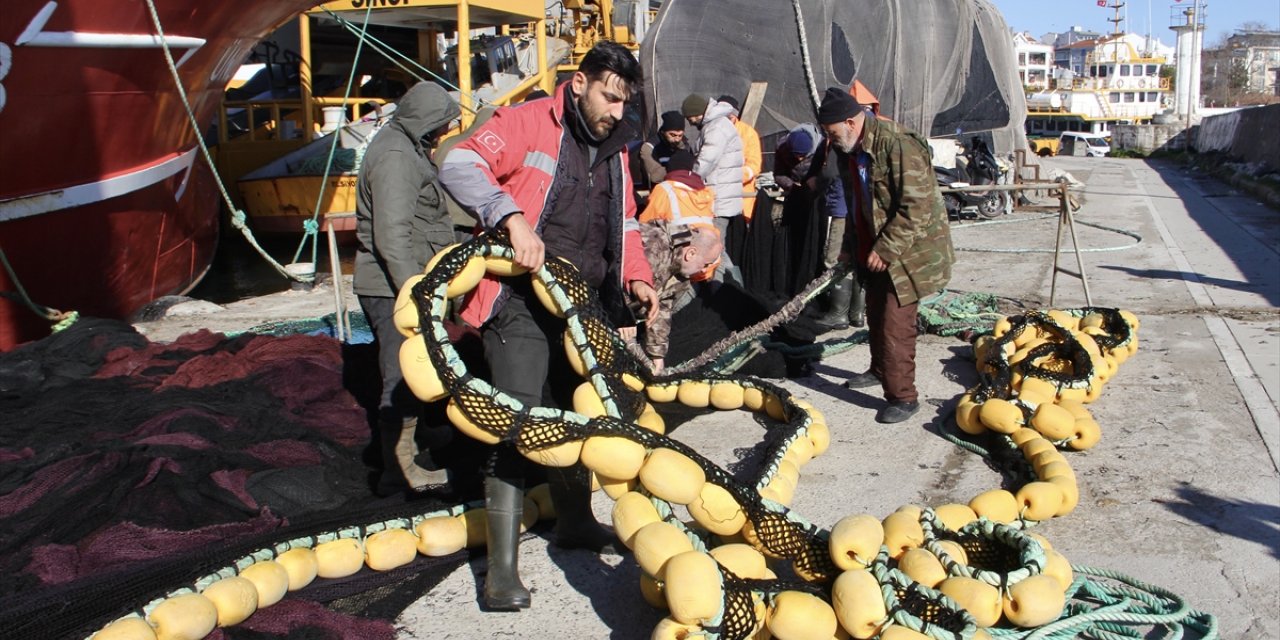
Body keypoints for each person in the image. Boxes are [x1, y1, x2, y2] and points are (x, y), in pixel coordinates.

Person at [438, 41, 658, 611]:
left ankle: (576, 522)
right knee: (517, 417)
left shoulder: (617, 146)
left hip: (582, 307)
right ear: (579, 82)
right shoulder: (527, 121)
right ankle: (501, 572)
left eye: (623, 100)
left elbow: (626, 222)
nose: (616, 110)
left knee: (576, 410)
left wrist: (637, 278)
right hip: (517, 300)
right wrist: (508, 217)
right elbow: (458, 163)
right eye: (609, 96)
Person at [816, 85, 954, 424]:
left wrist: (887, 248)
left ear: (850, 121)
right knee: (876, 314)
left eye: (832, 133)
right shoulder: (850, 150)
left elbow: (916, 207)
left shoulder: (897, 144)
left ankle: (903, 396)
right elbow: (858, 204)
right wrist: (851, 248)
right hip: (873, 247)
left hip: (908, 252)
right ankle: (880, 370)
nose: (830, 140)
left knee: (895, 324)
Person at [353, 81, 460, 496]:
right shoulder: (397, 156)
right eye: (443, 125)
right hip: (392, 286)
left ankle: (416, 439)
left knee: (418, 367)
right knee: (399, 374)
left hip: (404, 282)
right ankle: (398, 470)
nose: (445, 132)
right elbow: (392, 236)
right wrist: (415, 291)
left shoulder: (406, 145)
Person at [639, 221, 723, 372]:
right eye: (705, 264)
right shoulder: (654, 247)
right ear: (691, 253)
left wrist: (657, 356)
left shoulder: (679, 275)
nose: (703, 271)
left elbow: (661, 309)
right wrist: (622, 320)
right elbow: (618, 282)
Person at [682, 93, 747, 271]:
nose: (690, 123)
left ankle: (730, 288)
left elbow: (706, 161)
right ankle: (729, 286)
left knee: (714, 249)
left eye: (690, 118)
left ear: (697, 113)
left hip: (719, 200)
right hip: (723, 196)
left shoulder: (716, 128)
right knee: (717, 247)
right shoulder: (718, 124)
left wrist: (688, 181)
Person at [717, 94, 763, 223]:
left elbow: (754, 165)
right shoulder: (711, 131)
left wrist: (732, 177)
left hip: (742, 196)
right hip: (717, 197)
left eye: (730, 117)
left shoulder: (748, 133)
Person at [638, 110, 687, 185]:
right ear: (663, 132)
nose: (677, 139)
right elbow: (655, 176)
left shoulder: (684, 145)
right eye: (672, 135)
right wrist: (681, 171)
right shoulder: (649, 147)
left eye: (680, 135)